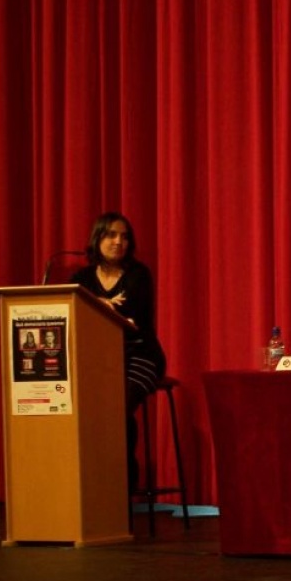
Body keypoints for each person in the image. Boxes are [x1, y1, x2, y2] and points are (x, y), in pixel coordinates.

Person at [69, 211, 167, 493]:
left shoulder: (138, 274)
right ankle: (95, 485)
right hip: (98, 359)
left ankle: (124, 483)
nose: (118, 241)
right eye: (111, 235)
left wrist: (98, 304)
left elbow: (131, 316)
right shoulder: (81, 278)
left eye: (124, 236)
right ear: (97, 238)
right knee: (89, 411)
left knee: (117, 407)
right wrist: (106, 304)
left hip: (140, 355)